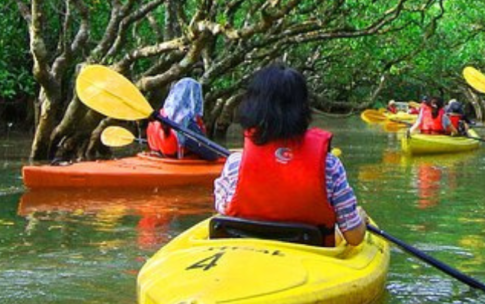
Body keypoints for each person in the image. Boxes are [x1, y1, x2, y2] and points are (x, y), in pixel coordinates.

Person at [213, 64, 367, 246]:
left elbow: (222, 213)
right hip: (310, 259)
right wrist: (361, 219)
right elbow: (354, 237)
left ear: (252, 106)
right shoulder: (329, 165)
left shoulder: (234, 163)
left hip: (246, 255)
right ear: (303, 108)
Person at [146, 78, 209, 158]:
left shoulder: (159, 115)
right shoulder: (187, 122)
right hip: (177, 162)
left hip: (158, 156)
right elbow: (210, 155)